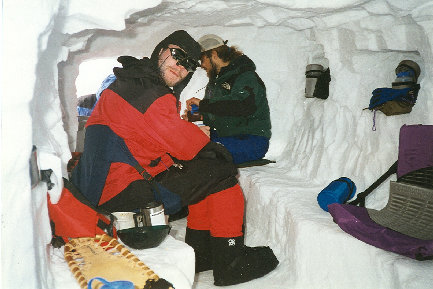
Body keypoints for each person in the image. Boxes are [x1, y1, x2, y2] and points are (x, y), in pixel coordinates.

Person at [70, 30, 278, 286]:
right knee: (220, 169)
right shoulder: (151, 93)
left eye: (189, 65)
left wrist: (190, 138)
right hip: (124, 189)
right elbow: (185, 145)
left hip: (103, 185)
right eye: (177, 56)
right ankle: (230, 261)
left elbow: (150, 137)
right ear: (161, 51)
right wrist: (210, 146)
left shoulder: (130, 83)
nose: (181, 68)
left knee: (201, 171)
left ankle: (201, 253)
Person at [184, 34, 272, 165]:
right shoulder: (216, 82)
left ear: (213, 54)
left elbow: (242, 105)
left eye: (202, 59)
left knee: (202, 154)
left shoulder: (245, 75)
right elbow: (219, 113)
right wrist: (196, 116)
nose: (201, 65)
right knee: (181, 142)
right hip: (226, 137)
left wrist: (203, 105)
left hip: (251, 141)